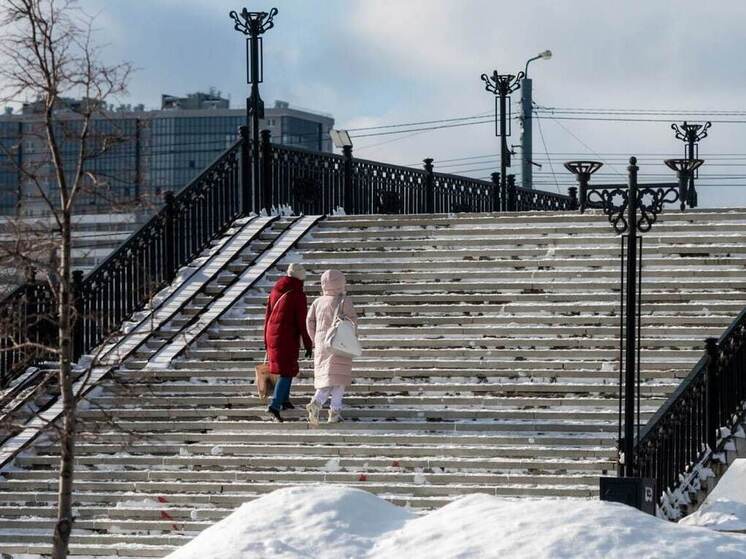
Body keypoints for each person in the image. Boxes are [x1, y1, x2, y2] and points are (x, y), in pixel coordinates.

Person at [305, 269, 358, 424]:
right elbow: (353, 322)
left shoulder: (317, 301)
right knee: (339, 379)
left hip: (322, 344)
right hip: (340, 344)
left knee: (327, 379)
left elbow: (309, 321)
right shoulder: (344, 301)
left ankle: (317, 403)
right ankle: (333, 411)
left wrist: (315, 338)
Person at [263, 262, 313, 422]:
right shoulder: (297, 294)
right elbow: (302, 322)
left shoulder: (275, 289)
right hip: (286, 336)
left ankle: (284, 400)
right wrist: (308, 344)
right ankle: (275, 405)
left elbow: (267, 316)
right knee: (286, 371)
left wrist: (266, 339)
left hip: (273, 333)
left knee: (289, 367)